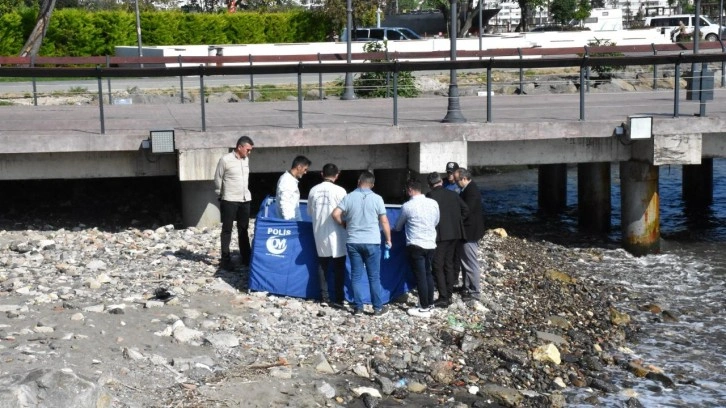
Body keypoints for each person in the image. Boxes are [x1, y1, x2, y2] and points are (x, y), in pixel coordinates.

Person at [332, 171, 391, 317]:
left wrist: (344, 224)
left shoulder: (349, 197)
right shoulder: (377, 199)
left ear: (359, 181)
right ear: (372, 184)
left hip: (353, 241)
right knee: (374, 276)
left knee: (356, 276)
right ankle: (377, 308)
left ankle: (358, 308)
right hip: (372, 242)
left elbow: (335, 214)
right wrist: (389, 239)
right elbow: (383, 221)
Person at [394, 179, 439, 318]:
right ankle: (430, 304)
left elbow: (398, 226)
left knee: (420, 276)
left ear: (409, 190)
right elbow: (436, 221)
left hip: (416, 244)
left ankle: (424, 307)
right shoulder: (433, 203)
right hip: (431, 243)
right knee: (428, 274)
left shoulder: (407, 206)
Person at [426, 172, 469, 308]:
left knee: (438, 265)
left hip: (440, 235)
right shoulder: (454, 194)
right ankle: (449, 295)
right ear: (441, 182)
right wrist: (457, 222)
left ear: (430, 185)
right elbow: (466, 210)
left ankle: (443, 297)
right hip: (455, 233)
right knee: (449, 264)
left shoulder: (430, 197)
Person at [307, 163, 347, 308]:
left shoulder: (313, 190)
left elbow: (310, 212)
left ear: (321, 174)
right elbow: (345, 213)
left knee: (322, 265)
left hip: (320, 233)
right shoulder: (341, 191)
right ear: (337, 175)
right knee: (339, 267)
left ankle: (324, 298)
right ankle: (339, 298)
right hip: (337, 233)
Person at [214, 135, 254, 270]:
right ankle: (225, 259)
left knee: (243, 229)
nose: (249, 152)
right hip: (229, 199)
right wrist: (220, 194)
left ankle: (246, 257)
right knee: (227, 229)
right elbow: (218, 178)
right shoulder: (225, 160)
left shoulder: (246, 159)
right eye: (248, 149)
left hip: (245, 199)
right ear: (240, 147)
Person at [454, 168, 485, 304]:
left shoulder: (471, 191)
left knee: (470, 262)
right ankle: (467, 286)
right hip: (468, 231)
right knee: (465, 261)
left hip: (470, 232)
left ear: (464, 179)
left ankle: (475, 291)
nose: (455, 183)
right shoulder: (468, 189)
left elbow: (467, 210)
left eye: (457, 180)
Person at [275, 155, 311, 220]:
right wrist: (289, 223)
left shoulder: (290, 179)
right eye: (305, 169)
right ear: (299, 167)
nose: (305, 172)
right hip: (289, 220)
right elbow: (284, 202)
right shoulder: (287, 181)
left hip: (293, 218)